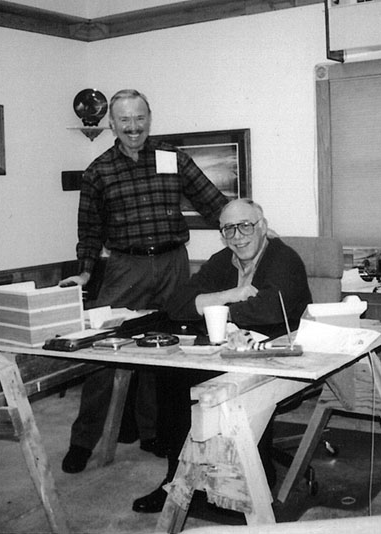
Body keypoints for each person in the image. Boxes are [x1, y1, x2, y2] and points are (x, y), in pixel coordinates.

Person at [58, 89, 229, 474]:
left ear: (148, 118)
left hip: (172, 263)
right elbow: (89, 231)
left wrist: (246, 227)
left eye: (139, 119)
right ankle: (83, 440)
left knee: (167, 348)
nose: (133, 127)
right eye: (124, 120)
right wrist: (85, 271)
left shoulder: (171, 157)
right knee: (101, 350)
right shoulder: (98, 171)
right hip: (125, 267)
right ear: (112, 124)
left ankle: (156, 433)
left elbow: (213, 201)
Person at [132, 198, 312, 513]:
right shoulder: (221, 260)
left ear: (262, 227)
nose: (238, 236)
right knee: (173, 375)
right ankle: (175, 480)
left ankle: (255, 475)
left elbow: (269, 309)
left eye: (245, 226)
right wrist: (231, 295)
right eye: (229, 229)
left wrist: (212, 308)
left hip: (279, 355)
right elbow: (176, 303)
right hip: (224, 350)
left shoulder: (285, 259)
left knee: (238, 386)